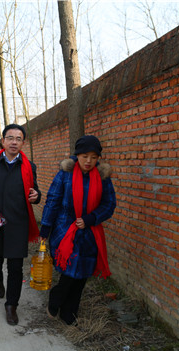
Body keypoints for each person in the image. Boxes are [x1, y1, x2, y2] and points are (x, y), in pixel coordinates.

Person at [39, 135, 116, 325]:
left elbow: (109, 204)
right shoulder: (65, 173)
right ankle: (56, 299)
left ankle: (70, 313)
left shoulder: (103, 177)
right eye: (84, 156)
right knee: (69, 272)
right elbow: (53, 201)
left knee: (82, 274)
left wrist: (91, 218)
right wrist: (45, 228)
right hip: (65, 230)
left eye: (93, 157)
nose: (88, 161)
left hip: (90, 232)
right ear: (77, 155)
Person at [0, 124, 41, 326]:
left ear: (23, 143)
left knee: (16, 267)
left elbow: (34, 192)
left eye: (18, 138)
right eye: (10, 138)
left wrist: (36, 196)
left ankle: (11, 305)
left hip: (18, 223)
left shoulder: (30, 166)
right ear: (3, 141)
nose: (14, 142)